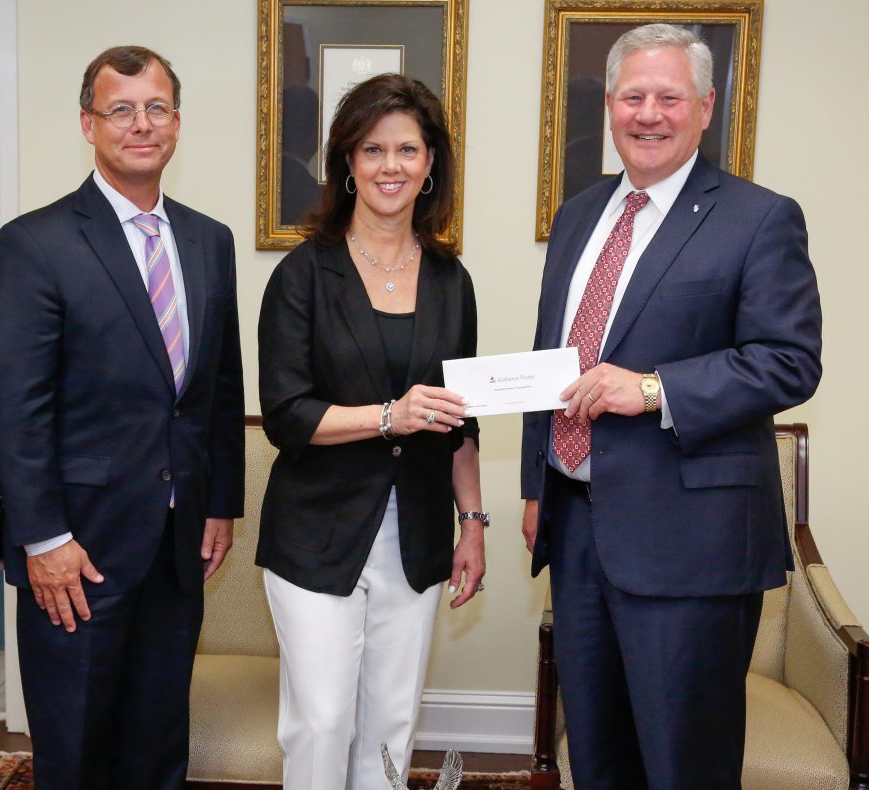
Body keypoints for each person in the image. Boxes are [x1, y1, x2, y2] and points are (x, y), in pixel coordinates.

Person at [520, 24, 822, 789]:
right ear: (611, 104)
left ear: (706, 106)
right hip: (580, 530)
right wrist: (536, 484)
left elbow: (790, 362)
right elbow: (553, 353)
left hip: (691, 544)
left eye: (668, 97)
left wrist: (654, 388)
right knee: (597, 757)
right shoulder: (579, 216)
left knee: (683, 764)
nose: (647, 113)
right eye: (632, 96)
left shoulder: (759, 217)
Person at [0, 45, 244, 789]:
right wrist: (44, 537)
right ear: (88, 124)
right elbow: (14, 405)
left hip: (177, 542)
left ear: (177, 123)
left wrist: (219, 502)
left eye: (156, 108)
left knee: (158, 744)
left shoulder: (207, 240)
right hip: (78, 549)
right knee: (77, 749)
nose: (141, 124)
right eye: (121, 109)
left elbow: (218, 387)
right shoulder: (37, 243)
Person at [257, 73, 486, 789]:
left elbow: (462, 416)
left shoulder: (452, 279)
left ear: (430, 165)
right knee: (322, 719)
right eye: (372, 149)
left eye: (408, 150)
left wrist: (472, 522)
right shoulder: (303, 274)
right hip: (316, 531)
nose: (392, 166)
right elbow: (287, 415)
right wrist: (389, 416)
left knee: (390, 721)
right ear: (347, 165)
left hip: (415, 531)